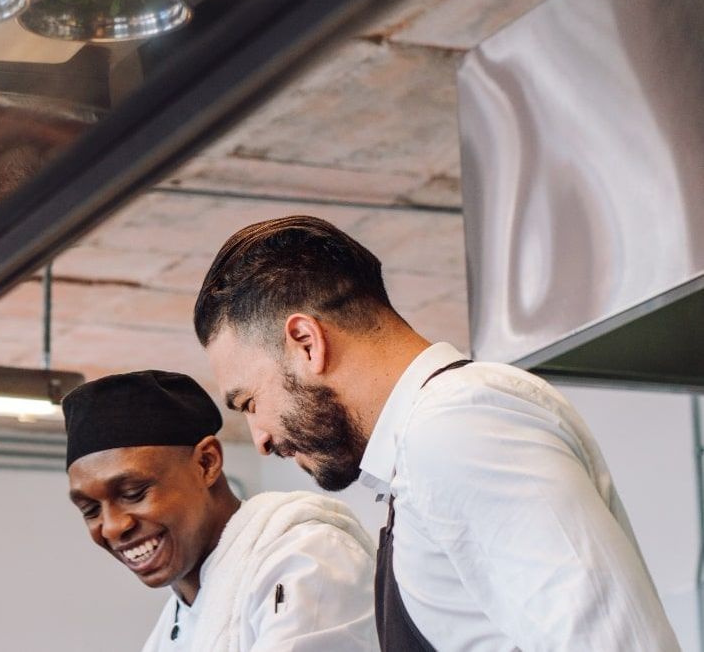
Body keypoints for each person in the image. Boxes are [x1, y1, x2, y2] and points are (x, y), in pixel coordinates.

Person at [194, 215, 680, 652]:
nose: (259, 438)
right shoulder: (422, 450)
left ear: (306, 343)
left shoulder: (457, 425)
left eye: (250, 403)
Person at [63, 369, 379, 651]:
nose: (112, 527)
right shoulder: (177, 620)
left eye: (133, 493)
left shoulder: (308, 557)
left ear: (207, 463)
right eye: (90, 510)